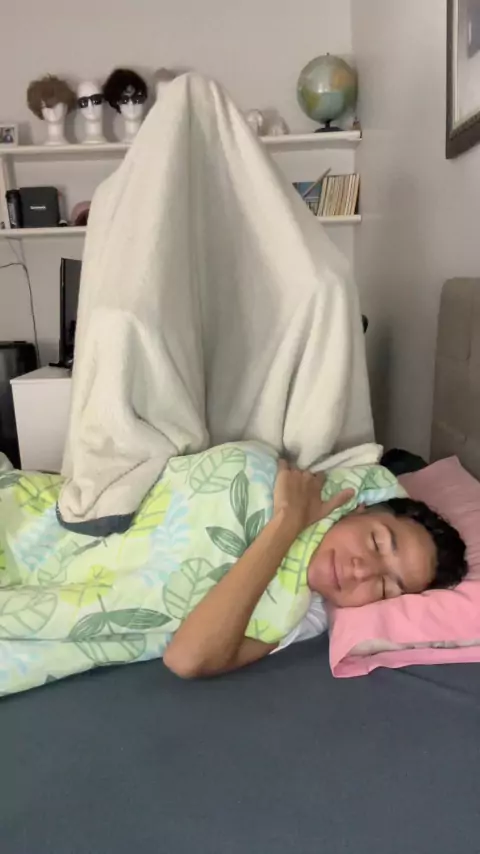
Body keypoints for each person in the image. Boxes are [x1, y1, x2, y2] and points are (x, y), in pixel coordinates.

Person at [164, 461, 467, 679]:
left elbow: (188, 658)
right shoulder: (298, 487)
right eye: (376, 542)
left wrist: (287, 523)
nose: (362, 572)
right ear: (358, 509)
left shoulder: (304, 614)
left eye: (386, 587)